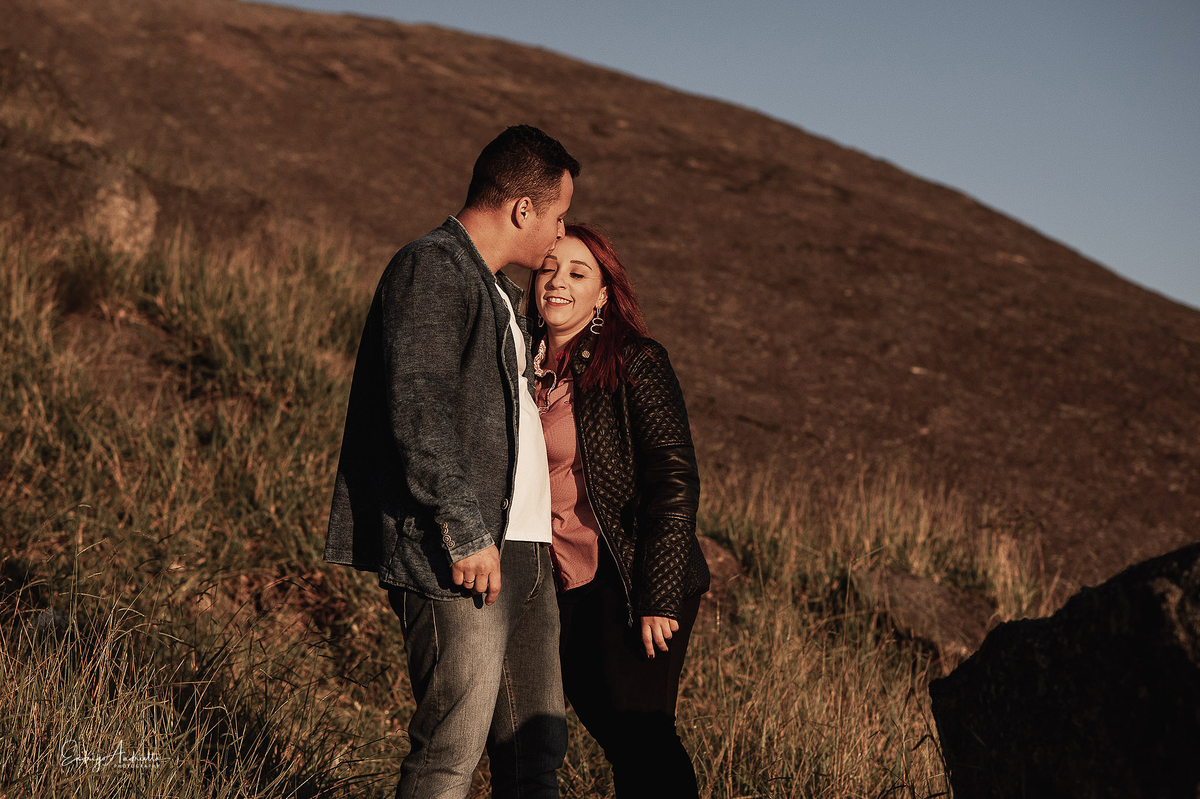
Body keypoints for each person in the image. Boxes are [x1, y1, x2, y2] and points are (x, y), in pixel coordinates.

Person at [323, 125, 580, 799]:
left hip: (524, 551)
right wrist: (465, 530)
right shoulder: (432, 267)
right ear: (523, 209)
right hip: (460, 553)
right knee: (449, 754)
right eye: (558, 215)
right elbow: (419, 406)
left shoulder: (504, 296)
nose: (561, 232)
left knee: (536, 759)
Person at [530, 223, 711, 798]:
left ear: (603, 294)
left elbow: (674, 480)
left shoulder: (635, 360)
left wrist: (657, 595)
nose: (558, 282)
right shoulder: (522, 363)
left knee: (643, 739)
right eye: (548, 268)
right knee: (620, 743)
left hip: (629, 575)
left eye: (578, 273)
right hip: (561, 581)